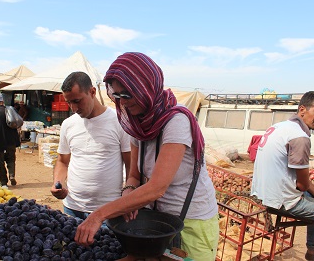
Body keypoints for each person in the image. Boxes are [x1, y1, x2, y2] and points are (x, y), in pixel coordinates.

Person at [74, 52, 219, 260]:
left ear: (145, 87)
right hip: (154, 224)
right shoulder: (137, 124)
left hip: (191, 224)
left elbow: (156, 188)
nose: (122, 103)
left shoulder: (176, 122)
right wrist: (128, 195)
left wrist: (99, 214)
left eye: (127, 94)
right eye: (117, 96)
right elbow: (134, 175)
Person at [50, 71, 131, 220]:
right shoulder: (68, 124)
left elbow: (131, 166)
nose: (73, 108)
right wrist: (58, 182)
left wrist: (128, 199)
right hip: (72, 209)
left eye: (77, 101)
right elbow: (62, 161)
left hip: (109, 211)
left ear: (92, 92)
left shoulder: (119, 121)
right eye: (69, 103)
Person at [251, 91, 314, 261]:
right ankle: (312, 251)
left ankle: (312, 249)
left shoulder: (279, 126)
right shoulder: (300, 137)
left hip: (262, 192)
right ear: (302, 110)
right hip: (281, 201)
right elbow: (303, 185)